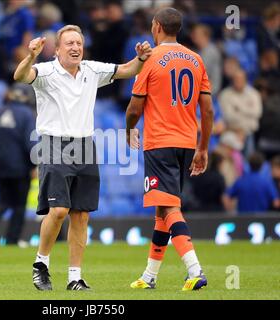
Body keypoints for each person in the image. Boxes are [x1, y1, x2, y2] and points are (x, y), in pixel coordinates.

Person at [13, 24, 152, 291]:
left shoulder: (91, 70)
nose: (76, 47)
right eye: (70, 43)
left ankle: (75, 277)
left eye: (79, 43)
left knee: (81, 215)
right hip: (54, 144)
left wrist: (141, 59)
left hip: (85, 146)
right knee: (59, 211)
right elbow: (20, 76)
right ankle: (41, 264)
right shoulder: (45, 71)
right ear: (57, 48)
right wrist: (31, 56)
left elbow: (127, 70)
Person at [125, 7, 214, 291]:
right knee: (162, 210)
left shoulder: (151, 60)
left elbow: (135, 107)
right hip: (187, 142)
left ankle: (195, 270)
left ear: (157, 26)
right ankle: (149, 276)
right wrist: (203, 148)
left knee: (169, 207)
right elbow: (208, 110)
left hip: (160, 142)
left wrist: (129, 129)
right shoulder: (196, 59)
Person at [0, 83, 36, 247]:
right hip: (20, 166)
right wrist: (35, 165)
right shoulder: (26, 114)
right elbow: (29, 142)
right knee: (19, 204)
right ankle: (12, 238)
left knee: (5, 200)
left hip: (0, 165)